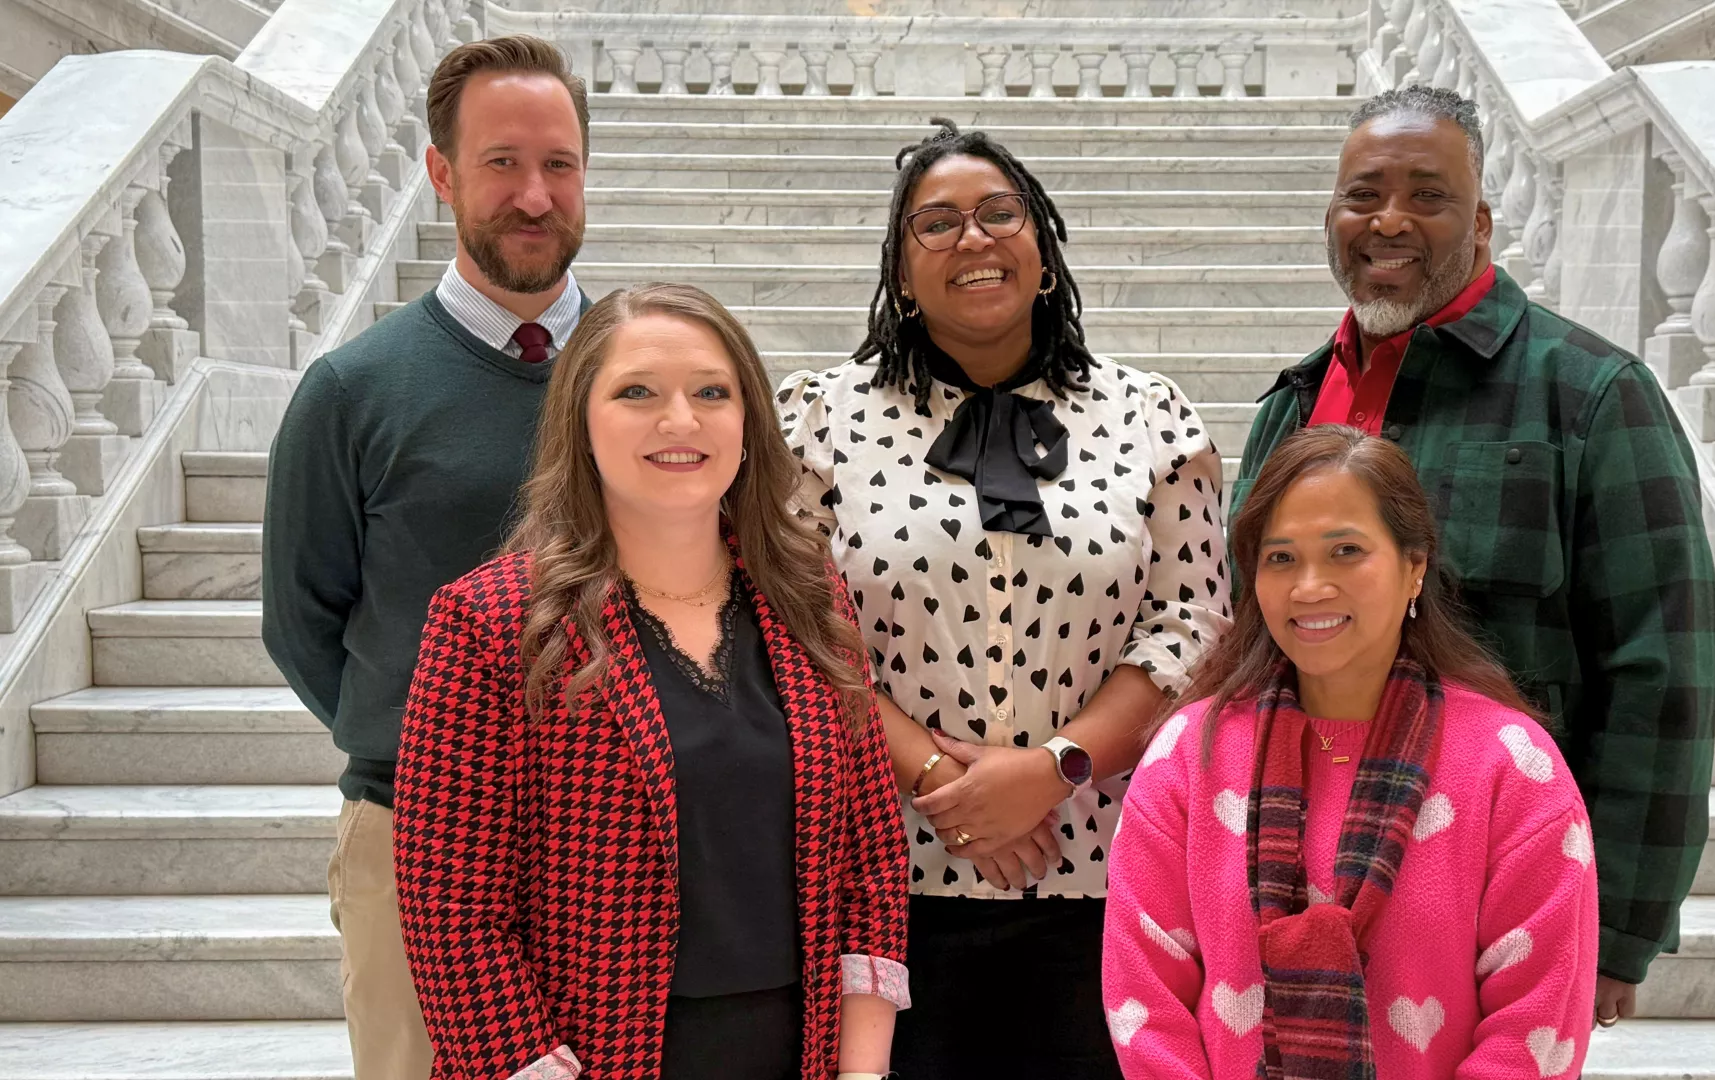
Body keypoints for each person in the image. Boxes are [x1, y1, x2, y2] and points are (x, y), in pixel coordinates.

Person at [1229, 84, 1715, 1025]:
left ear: (1484, 220)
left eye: (1428, 194)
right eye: (1364, 194)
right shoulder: (1290, 407)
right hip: (1293, 892)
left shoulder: (1592, 398)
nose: (1389, 221)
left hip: (1503, 893)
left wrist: (1616, 927)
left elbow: (1664, 671)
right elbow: (1250, 655)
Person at [777, 119, 1231, 1080]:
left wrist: (1054, 768)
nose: (973, 238)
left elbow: (1192, 627)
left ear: (1046, 250)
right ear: (900, 271)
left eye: (999, 213)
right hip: (883, 880)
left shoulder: (1150, 416)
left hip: (1108, 881)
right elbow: (790, 625)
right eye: (935, 224)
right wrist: (943, 782)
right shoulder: (820, 421)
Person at [392, 283, 910, 1080]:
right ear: (581, 420)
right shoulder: (489, 623)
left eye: (712, 392)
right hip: (584, 1061)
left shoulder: (810, 596)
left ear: (748, 423)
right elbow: (454, 917)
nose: (680, 420)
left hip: (798, 1053)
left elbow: (868, 859)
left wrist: (862, 1072)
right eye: (637, 392)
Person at [259, 34, 591, 1079]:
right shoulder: (351, 391)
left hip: (621, 844)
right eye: (501, 163)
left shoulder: (655, 374)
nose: (534, 196)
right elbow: (302, 621)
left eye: (558, 165)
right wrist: (435, 748)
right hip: (413, 841)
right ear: (441, 172)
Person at [1106, 425, 1599, 1080]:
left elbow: (1536, 1019)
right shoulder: (1187, 757)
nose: (1310, 586)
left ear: (1413, 565)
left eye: (1346, 551)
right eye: (1281, 558)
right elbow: (1147, 1000)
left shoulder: (1512, 767)